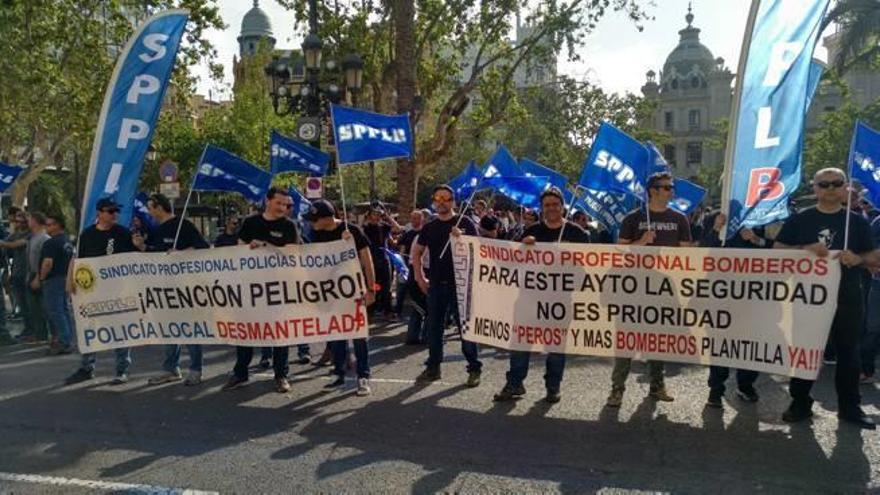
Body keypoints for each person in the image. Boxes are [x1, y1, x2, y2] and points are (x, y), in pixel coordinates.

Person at [774, 168, 876, 429]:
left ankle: (850, 407)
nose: (830, 188)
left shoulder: (857, 222)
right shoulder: (800, 220)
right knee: (805, 350)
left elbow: (875, 258)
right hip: (807, 299)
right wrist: (803, 250)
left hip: (848, 297)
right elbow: (777, 251)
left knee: (848, 352)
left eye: (836, 183)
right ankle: (799, 402)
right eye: (824, 184)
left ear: (844, 188)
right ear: (815, 188)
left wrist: (858, 259)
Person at [493, 188, 590, 403]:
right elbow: (512, 261)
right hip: (529, 299)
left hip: (560, 301)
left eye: (555, 204)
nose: (552, 208)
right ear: (542, 208)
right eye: (547, 205)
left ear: (563, 206)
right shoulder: (532, 231)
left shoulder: (577, 234)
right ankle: (515, 383)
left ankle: (553, 387)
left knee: (556, 347)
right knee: (520, 343)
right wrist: (522, 247)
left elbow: (587, 268)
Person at [606, 172, 692, 408]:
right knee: (625, 339)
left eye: (671, 187)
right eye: (666, 187)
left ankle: (657, 385)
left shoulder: (679, 219)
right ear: (652, 191)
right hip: (633, 289)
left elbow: (686, 255)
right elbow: (620, 252)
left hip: (664, 289)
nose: (671, 191)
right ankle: (617, 388)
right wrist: (641, 243)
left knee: (658, 339)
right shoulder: (633, 218)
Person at [222, 187, 299, 394]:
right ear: (268, 201)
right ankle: (240, 373)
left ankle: (281, 375)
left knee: (280, 335)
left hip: (278, 289)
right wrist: (250, 248)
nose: (283, 207)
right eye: (279, 203)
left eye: (286, 204)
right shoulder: (250, 222)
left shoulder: (289, 226)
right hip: (251, 288)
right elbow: (239, 249)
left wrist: (267, 246)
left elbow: (293, 255)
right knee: (246, 332)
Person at [305, 200, 377, 396]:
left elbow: (367, 259)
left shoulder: (351, 230)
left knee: (358, 335)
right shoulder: (316, 234)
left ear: (327, 218)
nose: (311, 223)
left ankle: (363, 376)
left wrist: (371, 288)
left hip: (353, 290)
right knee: (335, 333)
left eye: (314, 219)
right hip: (330, 291)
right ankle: (339, 373)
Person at [412, 185, 481, 385]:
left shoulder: (465, 222)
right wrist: (419, 277)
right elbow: (416, 252)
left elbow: (480, 250)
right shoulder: (429, 226)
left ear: (453, 201)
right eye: (438, 198)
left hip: (461, 285)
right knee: (434, 328)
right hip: (436, 284)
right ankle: (433, 367)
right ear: (434, 201)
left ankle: (474, 368)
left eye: (446, 198)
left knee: (464, 328)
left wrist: (463, 238)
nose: (441, 202)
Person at [65, 198, 138, 385]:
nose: (115, 215)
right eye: (110, 211)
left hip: (118, 291)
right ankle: (86, 367)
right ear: (99, 213)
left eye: (116, 211)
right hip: (92, 292)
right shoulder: (87, 235)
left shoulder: (122, 233)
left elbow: (134, 258)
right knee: (89, 328)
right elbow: (78, 259)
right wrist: (70, 280)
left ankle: (122, 370)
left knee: (120, 330)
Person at [700, 212, 767, 408]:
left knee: (750, 342)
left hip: (752, 293)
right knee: (720, 342)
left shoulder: (762, 217)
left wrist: (755, 239)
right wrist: (715, 230)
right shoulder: (713, 218)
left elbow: (777, 249)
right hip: (720, 293)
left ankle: (745, 385)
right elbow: (702, 250)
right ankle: (716, 389)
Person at [141, 193, 210, 386]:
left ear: (159, 207)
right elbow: (155, 255)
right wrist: (142, 247)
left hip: (186, 287)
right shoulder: (157, 229)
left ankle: (196, 369)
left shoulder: (183, 225)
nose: (149, 211)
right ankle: (171, 368)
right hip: (164, 288)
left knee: (190, 328)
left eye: (150, 207)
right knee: (169, 329)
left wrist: (181, 254)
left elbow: (203, 248)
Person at [35, 214, 75, 355]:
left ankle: (64, 342)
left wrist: (41, 278)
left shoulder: (51, 243)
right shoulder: (67, 241)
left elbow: (47, 263)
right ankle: (68, 339)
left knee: (56, 311)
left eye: (50, 224)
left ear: (58, 225)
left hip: (53, 280)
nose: (47, 227)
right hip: (65, 278)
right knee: (63, 310)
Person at [362, 206, 402, 318]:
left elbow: (398, 229)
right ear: (369, 215)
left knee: (386, 285)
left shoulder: (384, 227)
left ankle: (387, 311)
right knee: (371, 284)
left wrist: (387, 216)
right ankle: (370, 310)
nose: (377, 216)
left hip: (384, 258)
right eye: (374, 214)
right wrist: (366, 217)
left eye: (379, 214)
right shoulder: (365, 227)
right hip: (371, 259)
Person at [860, 213, 880, 384]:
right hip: (878, 282)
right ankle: (866, 370)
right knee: (872, 327)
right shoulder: (878, 222)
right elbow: (868, 248)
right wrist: (871, 263)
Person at [26, 213, 50, 345]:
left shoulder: (44, 238)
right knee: (34, 308)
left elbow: (44, 259)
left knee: (45, 307)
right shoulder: (32, 238)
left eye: (30, 219)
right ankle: (40, 335)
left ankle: (52, 335)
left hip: (39, 275)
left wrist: (38, 277)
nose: (28, 221)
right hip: (31, 274)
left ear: (35, 221)